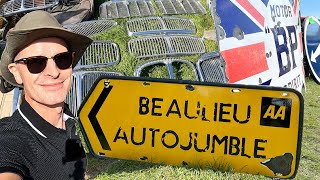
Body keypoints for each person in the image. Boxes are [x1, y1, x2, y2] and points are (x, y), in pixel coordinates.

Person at [0, 10, 92, 179]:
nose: (54, 72)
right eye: (36, 62)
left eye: (62, 59)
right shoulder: (11, 140)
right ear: (16, 73)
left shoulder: (69, 119)